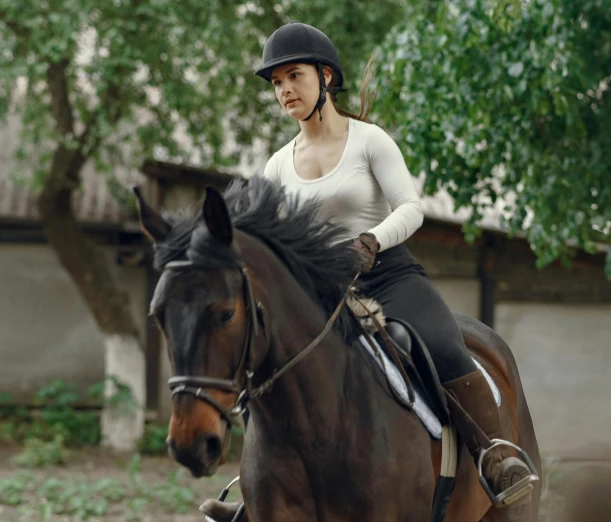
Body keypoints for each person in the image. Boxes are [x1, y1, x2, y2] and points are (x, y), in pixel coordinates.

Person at [202, 20, 534, 520]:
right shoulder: (275, 166)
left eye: (294, 76)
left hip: (387, 276)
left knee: (442, 341)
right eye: (276, 83)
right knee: (267, 363)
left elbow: (411, 207)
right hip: (316, 294)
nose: (285, 90)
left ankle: (495, 454)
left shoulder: (369, 141)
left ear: (326, 78)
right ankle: (259, 491)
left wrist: (373, 239)